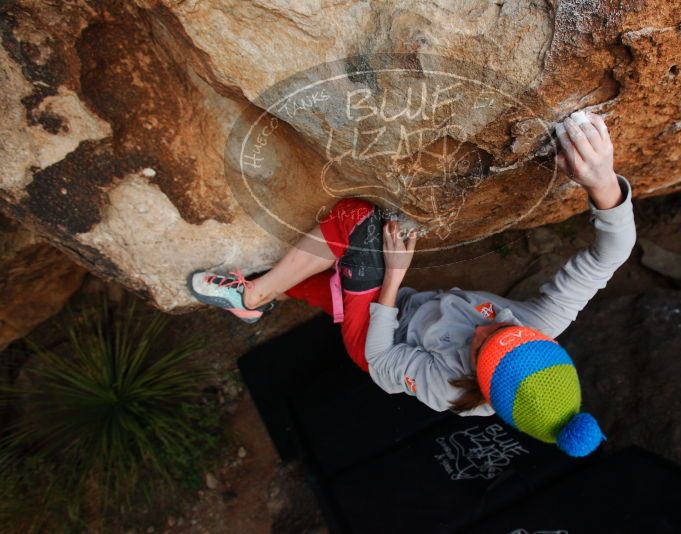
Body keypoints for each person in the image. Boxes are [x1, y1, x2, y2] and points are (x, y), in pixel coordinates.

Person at [189, 111, 636, 457]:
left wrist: (395, 273)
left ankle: (252, 295)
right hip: (402, 305)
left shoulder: (451, 392)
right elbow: (609, 255)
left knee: (357, 223)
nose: (482, 330)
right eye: (505, 332)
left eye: (481, 351)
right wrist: (601, 181)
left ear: (482, 388)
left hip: (375, 341)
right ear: (539, 339)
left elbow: (383, 361)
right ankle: (263, 295)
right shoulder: (543, 321)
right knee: (328, 279)